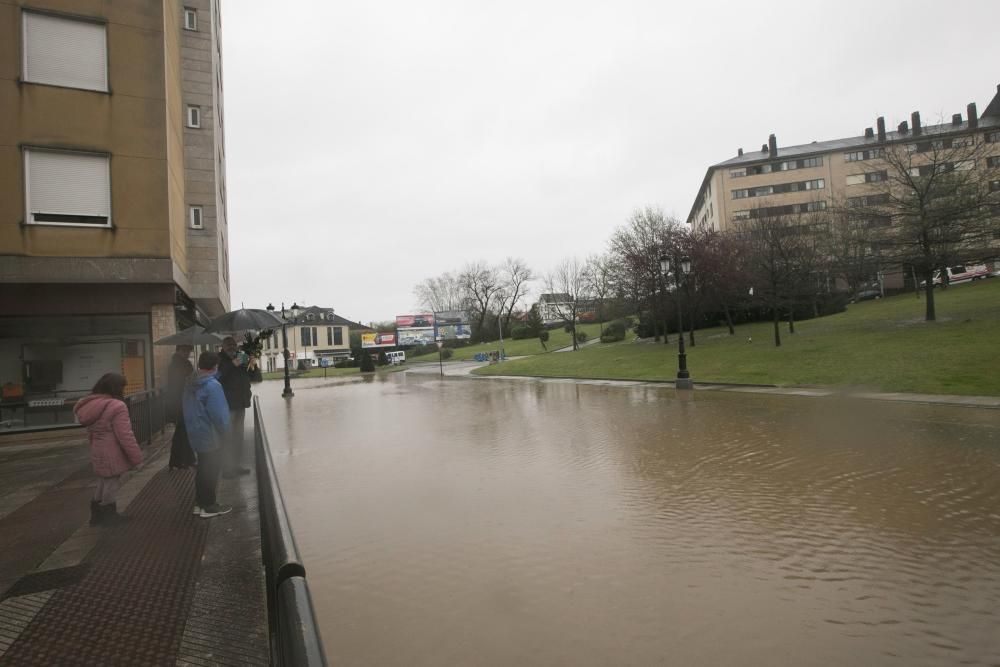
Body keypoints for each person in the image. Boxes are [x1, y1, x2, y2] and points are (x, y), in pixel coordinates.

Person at [73, 373, 144, 526]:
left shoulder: (90, 403)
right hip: (112, 450)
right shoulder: (116, 406)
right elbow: (125, 435)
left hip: (97, 447)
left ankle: (96, 516)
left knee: (103, 480)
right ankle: (109, 516)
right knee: (111, 482)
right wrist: (136, 458)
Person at [183, 352, 232, 518]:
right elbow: (219, 415)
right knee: (211, 470)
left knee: (203, 468)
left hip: (195, 432)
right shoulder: (213, 386)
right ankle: (209, 506)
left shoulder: (191, 383)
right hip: (210, 434)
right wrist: (227, 433)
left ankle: (200, 504)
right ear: (215, 366)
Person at [217, 336, 261, 477]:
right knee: (228, 437)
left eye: (233, 345)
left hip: (241, 403)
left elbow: (256, 378)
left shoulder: (241, 357)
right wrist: (232, 364)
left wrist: (253, 364)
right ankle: (227, 468)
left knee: (238, 437)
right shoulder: (219, 359)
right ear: (223, 347)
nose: (232, 347)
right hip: (227, 405)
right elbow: (218, 377)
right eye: (228, 345)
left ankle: (236, 465)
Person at [166, 344, 196, 469]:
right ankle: (181, 461)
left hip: (182, 402)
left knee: (183, 432)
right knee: (182, 432)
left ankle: (182, 460)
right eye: (184, 351)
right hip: (181, 403)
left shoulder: (182, 363)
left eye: (188, 351)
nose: (187, 353)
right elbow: (181, 383)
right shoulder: (178, 365)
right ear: (178, 351)